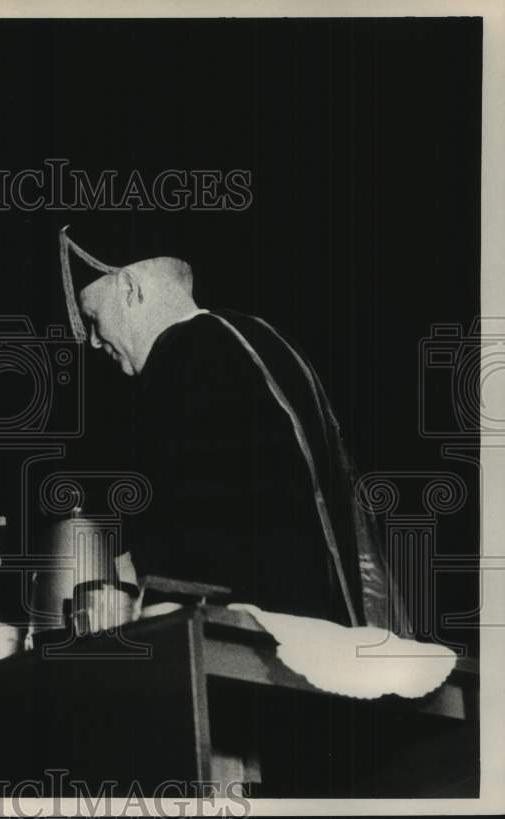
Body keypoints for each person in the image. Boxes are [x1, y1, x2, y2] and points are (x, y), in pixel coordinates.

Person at [59, 227, 403, 629]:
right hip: (326, 625)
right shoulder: (262, 339)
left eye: (94, 318)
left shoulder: (182, 358)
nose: (95, 341)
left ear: (130, 289)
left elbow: (187, 527)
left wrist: (155, 604)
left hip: (249, 644)